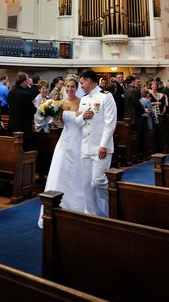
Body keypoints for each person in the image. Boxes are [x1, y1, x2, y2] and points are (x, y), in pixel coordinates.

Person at [38, 76, 85, 228]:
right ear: (64, 87)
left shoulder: (81, 101)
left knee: (77, 170)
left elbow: (84, 120)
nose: (70, 89)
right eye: (67, 86)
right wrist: (52, 115)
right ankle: (58, 204)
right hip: (65, 139)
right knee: (61, 170)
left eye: (72, 86)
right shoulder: (60, 103)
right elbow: (59, 124)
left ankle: (79, 206)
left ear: (76, 87)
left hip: (79, 138)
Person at [74, 69, 117, 217]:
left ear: (89, 81)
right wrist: (83, 117)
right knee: (87, 184)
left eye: (82, 83)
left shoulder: (106, 96)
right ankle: (91, 212)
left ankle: (114, 204)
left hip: (100, 147)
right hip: (85, 147)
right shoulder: (84, 99)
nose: (81, 86)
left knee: (97, 181)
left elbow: (110, 123)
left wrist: (104, 145)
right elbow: (77, 122)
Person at [7, 72, 39, 149]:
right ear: (23, 81)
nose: (28, 82)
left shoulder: (11, 92)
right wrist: (34, 105)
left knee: (13, 149)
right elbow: (31, 111)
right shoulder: (25, 94)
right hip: (23, 128)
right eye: (27, 80)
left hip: (12, 125)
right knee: (24, 149)